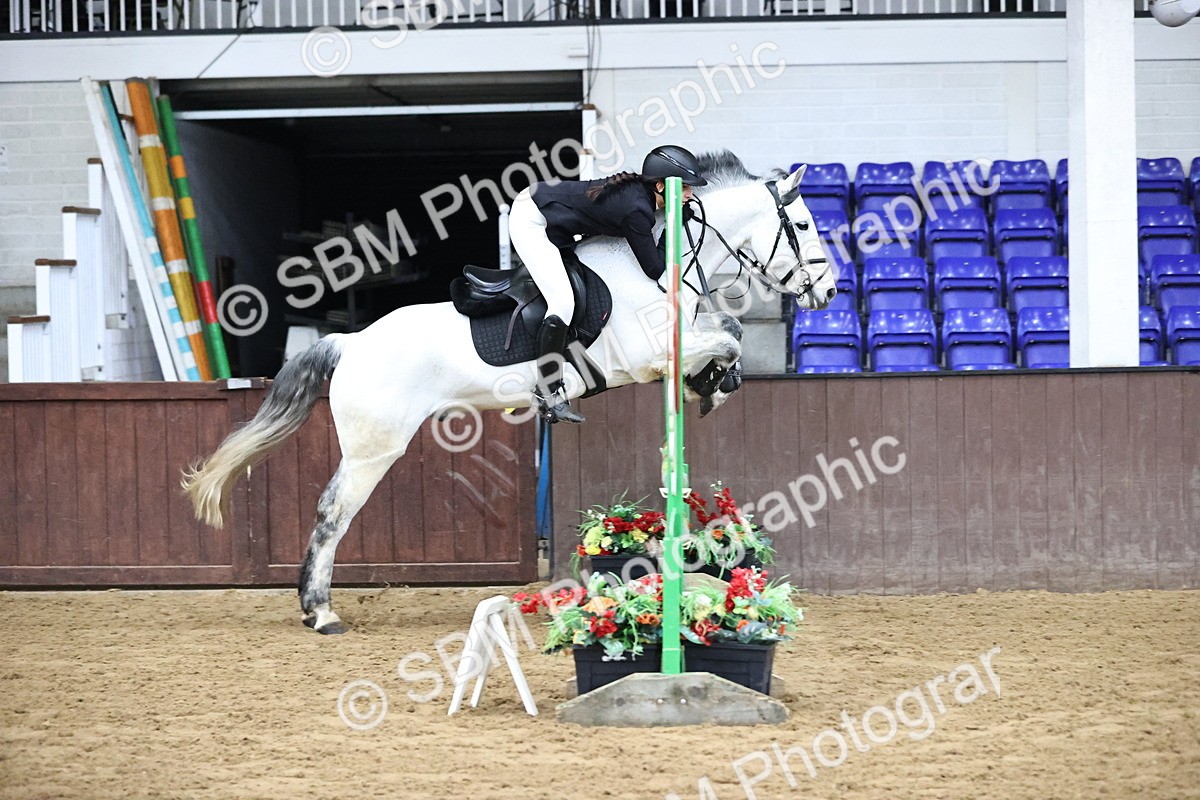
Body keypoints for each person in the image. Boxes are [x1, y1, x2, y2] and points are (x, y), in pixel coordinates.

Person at [508, 144, 708, 424]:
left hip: (555, 220)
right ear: (661, 187)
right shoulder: (637, 210)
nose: (691, 194)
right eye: (686, 188)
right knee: (563, 302)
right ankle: (547, 392)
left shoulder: (644, 199)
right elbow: (654, 269)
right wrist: (672, 225)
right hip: (533, 219)